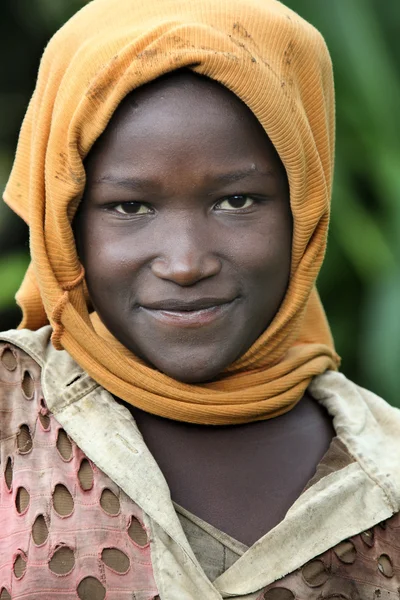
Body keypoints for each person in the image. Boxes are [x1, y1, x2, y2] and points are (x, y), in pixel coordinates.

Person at [1, 0, 400, 598]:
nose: (186, 263)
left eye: (237, 201)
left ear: (305, 205)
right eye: (130, 207)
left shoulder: (387, 468)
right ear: (64, 223)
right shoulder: (16, 424)